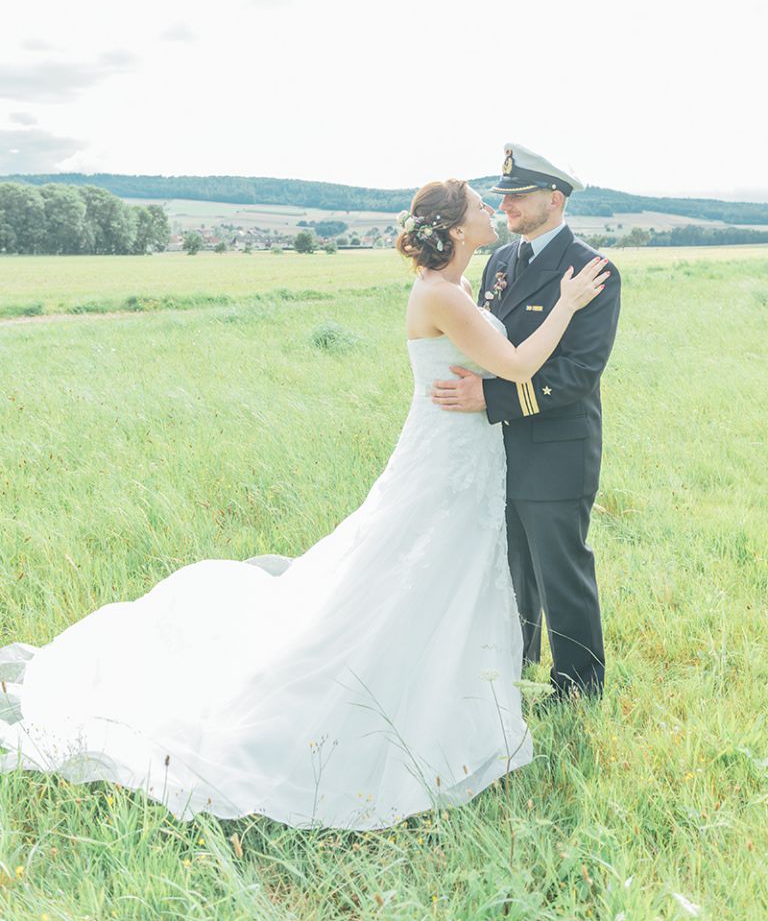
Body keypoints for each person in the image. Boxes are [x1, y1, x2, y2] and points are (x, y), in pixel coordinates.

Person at [0, 178, 608, 831]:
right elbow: (517, 364)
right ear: (457, 230)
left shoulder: (460, 286)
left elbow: (491, 365)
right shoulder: (440, 294)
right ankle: (389, 701)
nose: (494, 208)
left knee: (439, 578)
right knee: (407, 577)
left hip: (468, 458)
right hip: (445, 465)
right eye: (482, 206)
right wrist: (567, 304)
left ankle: (452, 690)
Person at [431, 146, 621, 700]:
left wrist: (490, 399)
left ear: (554, 199)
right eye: (504, 196)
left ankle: (579, 689)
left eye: (518, 195)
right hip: (497, 450)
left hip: (557, 447)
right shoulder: (500, 261)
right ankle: (517, 668)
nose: (505, 204)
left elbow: (578, 372)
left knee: (561, 573)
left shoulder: (592, 270)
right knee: (513, 571)